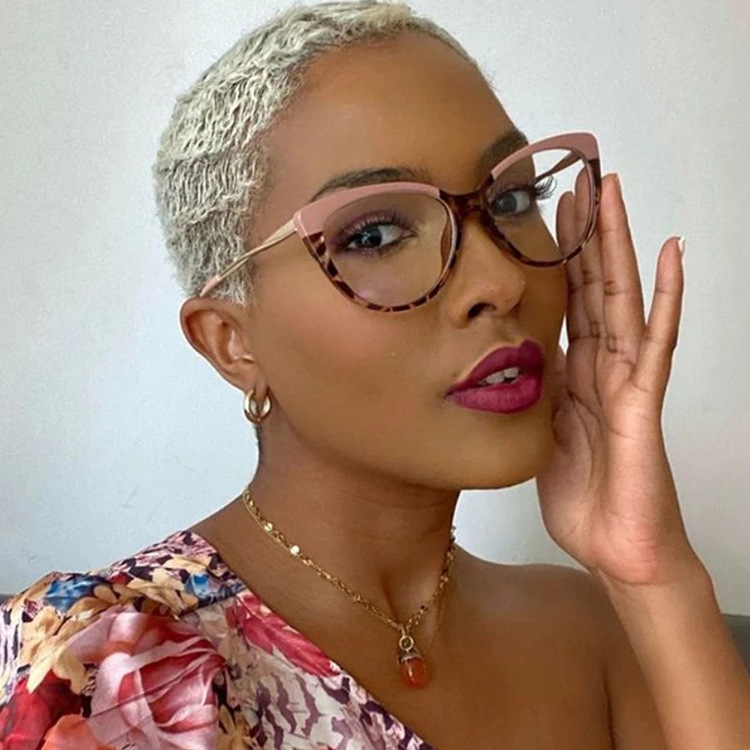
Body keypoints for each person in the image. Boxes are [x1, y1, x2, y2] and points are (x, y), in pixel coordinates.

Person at [1, 1, 748, 748]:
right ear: (232, 343)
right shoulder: (100, 665)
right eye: (377, 233)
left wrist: (654, 575)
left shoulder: (595, 633)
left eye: (512, 199)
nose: (501, 280)